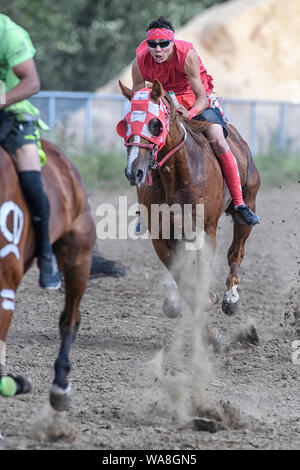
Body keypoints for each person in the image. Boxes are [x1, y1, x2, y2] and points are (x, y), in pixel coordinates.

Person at [131, 17, 260, 227]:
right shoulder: (139, 61)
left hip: (195, 99)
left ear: (172, 43)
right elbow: (140, 97)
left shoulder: (186, 55)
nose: (158, 49)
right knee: (146, 143)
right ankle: (144, 207)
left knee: (218, 139)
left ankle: (238, 202)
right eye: (152, 45)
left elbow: (202, 96)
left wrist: (189, 114)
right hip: (164, 100)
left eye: (163, 44)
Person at [0, 14, 61, 289]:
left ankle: (46, 253)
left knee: (30, 180)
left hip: (13, 117)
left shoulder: (9, 34)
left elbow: (31, 83)